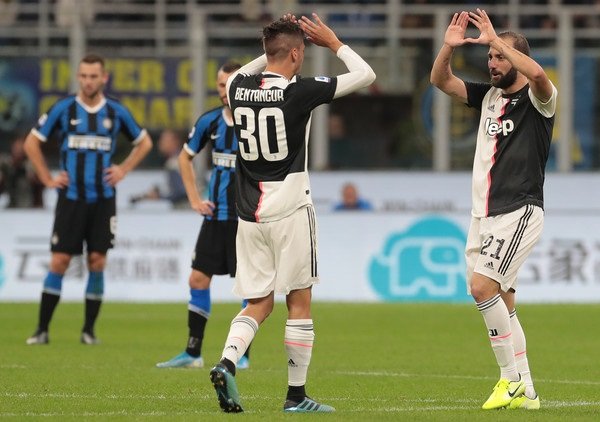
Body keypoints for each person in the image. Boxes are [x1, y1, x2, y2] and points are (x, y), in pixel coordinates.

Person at [208, 12, 375, 413]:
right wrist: (334, 43)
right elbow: (366, 74)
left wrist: (271, 45)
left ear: (267, 54)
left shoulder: (237, 87)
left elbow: (250, 69)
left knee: (258, 302)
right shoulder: (300, 92)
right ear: (298, 54)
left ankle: (227, 359)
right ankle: (296, 396)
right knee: (299, 301)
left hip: (248, 213)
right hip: (290, 207)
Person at [430, 9, 557, 410]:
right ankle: (529, 392)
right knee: (503, 301)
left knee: (482, 288)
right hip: (483, 215)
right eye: (490, 57)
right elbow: (440, 81)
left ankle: (510, 381)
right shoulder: (487, 97)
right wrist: (449, 48)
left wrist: (495, 39)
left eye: (500, 56)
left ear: (516, 56)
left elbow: (538, 76)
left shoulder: (539, 101)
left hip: (518, 208)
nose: (493, 62)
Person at [23, 53, 153, 345]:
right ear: (78, 77)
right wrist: (46, 178)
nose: (88, 81)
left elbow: (144, 142)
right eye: (83, 76)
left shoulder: (116, 112)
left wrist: (124, 169)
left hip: (103, 199)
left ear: (103, 78)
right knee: (59, 261)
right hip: (70, 198)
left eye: (94, 76)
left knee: (97, 260)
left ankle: (88, 331)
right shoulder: (64, 108)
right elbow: (32, 143)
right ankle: (42, 330)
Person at [155, 62, 252, 370]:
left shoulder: (258, 122)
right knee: (197, 278)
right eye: (220, 85)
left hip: (248, 220)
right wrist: (195, 198)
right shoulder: (210, 121)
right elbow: (184, 158)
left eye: (230, 84)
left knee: (250, 286)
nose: (225, 91)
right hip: (215, 217)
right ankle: (193, 352)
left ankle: (243, 354)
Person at [129, 129, 188, 209]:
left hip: (188, 211)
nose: (160, 143)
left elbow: (181, 193)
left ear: (175, 142)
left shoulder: (174, 162)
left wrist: (158, 197)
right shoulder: (183, 157)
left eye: (164, 140)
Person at [0, 136, 45, 208]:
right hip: (12, 208)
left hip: (31, 210)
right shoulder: (7, 167)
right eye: (16, 149)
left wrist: (35, 178)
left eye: (21, 150)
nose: (18, 153)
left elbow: (41, 187)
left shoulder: (32, 165)